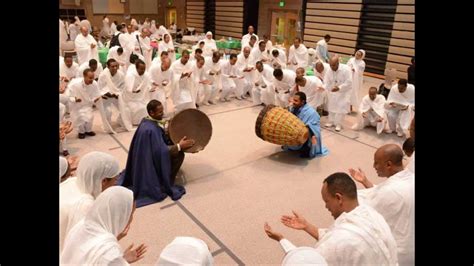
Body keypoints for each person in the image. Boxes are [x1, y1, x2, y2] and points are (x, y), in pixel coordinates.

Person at [264, 172, 398, 265]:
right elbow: (333, 235)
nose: (326, 207)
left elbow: (309, 261)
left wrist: (282, 240)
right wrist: (306, 226)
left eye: (326, 201)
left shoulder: (337, 242)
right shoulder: (372, 213)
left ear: (339, 198)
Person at [118, 100, 196, 207]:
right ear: (151, 113)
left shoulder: (146, 121)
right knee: (179, 154)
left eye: (162, 111)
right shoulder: (151, 129)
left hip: (146, 159)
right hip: (149, 165)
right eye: (160, 112)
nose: (162, 114)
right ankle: (165, 181)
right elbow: (160, 152)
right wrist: (179, 146)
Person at [349, 144, 414, 265]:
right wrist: (365, 181)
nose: (374, 166)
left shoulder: (389, 191)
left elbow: (363, 208)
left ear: (389, 165)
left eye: (376, 162)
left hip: (400, 254)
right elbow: (380, 195)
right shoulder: (410, 178)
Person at [61, 186, 148, 265]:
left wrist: (121, 261)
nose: (131, 219)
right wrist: (119, 261)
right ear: (119, 216)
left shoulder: (80, 225)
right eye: (131, 214)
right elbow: (106, 259)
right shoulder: (110, 253)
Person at [59, 151, 121, 251]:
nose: (116, 183)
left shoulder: (72, 181)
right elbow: (81, 250)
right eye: (115, 179)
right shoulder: (85, 206)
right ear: (103, 181)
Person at [283, 92, 329, 158]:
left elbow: (314, 128)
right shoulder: (293, 108)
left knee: (307, 132)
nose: (293, 102)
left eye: (296, 101)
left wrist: (303, 129)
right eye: (293, 100)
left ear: (302, 102)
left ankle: (306, 149)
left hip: (307, 135)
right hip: (295, 132)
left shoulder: (311, 112)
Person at [68, 69, 101, 139]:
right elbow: (69, 95)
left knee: (90, 117)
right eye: (90, 78)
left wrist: (96, 99)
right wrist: (75, 99)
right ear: (84, 76)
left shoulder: (94, 84)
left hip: (88, 104)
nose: (92, 80)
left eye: (93, 77)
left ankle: (88, 130)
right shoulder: (75, 84)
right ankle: (81, 132)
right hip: (77, 105)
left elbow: (97, 94)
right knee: (81, 118)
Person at [323, 55, 352, 132]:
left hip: (344, 92)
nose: (332, 67)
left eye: (333, 65)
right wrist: (324, 87)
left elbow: (349, 82)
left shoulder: (346, 69)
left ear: (338, 63)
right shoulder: (329, 70)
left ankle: (339, 124)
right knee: (332, 106)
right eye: (330, 65)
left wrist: (339, 88)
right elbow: (326, 80)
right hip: (333, 91)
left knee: (341, 108)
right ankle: (331, 121)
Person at [98, 59, 126, 133]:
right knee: (108, 112)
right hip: (105, 97)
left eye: (116, 66)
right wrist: (105, 93)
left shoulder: (121, 74)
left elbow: (123, 86)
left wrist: (118, 93)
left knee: (125, 109)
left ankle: (120, 120)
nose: (115, 68)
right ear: (107, 67)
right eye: (112, 66)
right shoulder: (103, 75)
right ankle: (107, 126)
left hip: (116, 96)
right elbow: (99, 88)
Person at [121, 59, 151, 130]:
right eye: (141, 69)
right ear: (136, 68)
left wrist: (149, 88)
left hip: (141, 97)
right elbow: (128, 89)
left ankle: (139, 122)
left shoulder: (146, 75)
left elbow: (147, 85)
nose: (143, 71)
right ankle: (134, 121)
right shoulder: (130, 75)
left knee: (145, 107)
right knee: (134, 108)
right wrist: (134, 91)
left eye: (144, 69)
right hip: (129, 98)